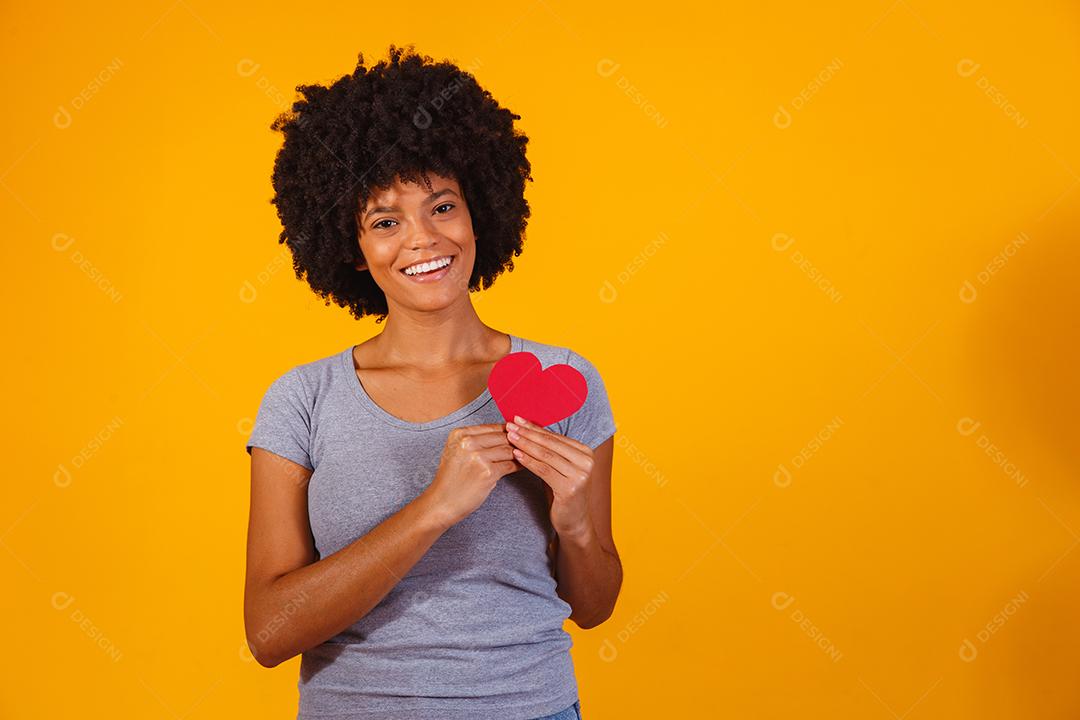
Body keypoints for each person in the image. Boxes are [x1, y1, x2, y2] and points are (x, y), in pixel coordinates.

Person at [243, 44, 621, 720]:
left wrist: (576, 526)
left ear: (478, 212)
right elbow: (269, 632)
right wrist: (435, 508)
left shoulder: (565, 381)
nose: (422, 239)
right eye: (385, 221)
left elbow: (593, 607)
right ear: (352, 248)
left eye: (442, 207)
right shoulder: (303, 400)